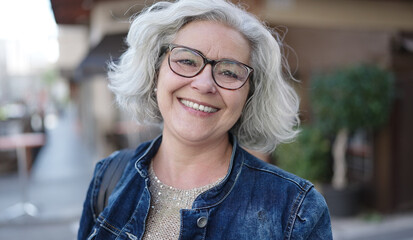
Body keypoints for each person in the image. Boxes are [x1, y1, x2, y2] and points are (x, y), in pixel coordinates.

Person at [78, 0, 333, 239]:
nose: (204, 84)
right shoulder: (108, 177)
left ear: (249, 96)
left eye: (230, 72)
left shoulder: (296, 210)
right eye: (187, 60)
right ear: (155, 73)